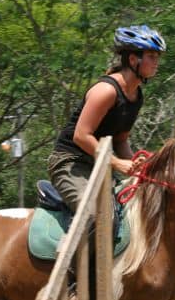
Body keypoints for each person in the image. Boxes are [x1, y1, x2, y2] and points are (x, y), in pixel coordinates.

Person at [47, 25, 166, 213]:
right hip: (70, 163)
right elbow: (81, 135)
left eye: (157, 57)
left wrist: (137, 166)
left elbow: (121, 140)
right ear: (134, 59)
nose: (156, 62)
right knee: (98, 215)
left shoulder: (136, 96)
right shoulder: (106, 91)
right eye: (152, 56)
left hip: (99, 165)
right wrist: (118, 163)